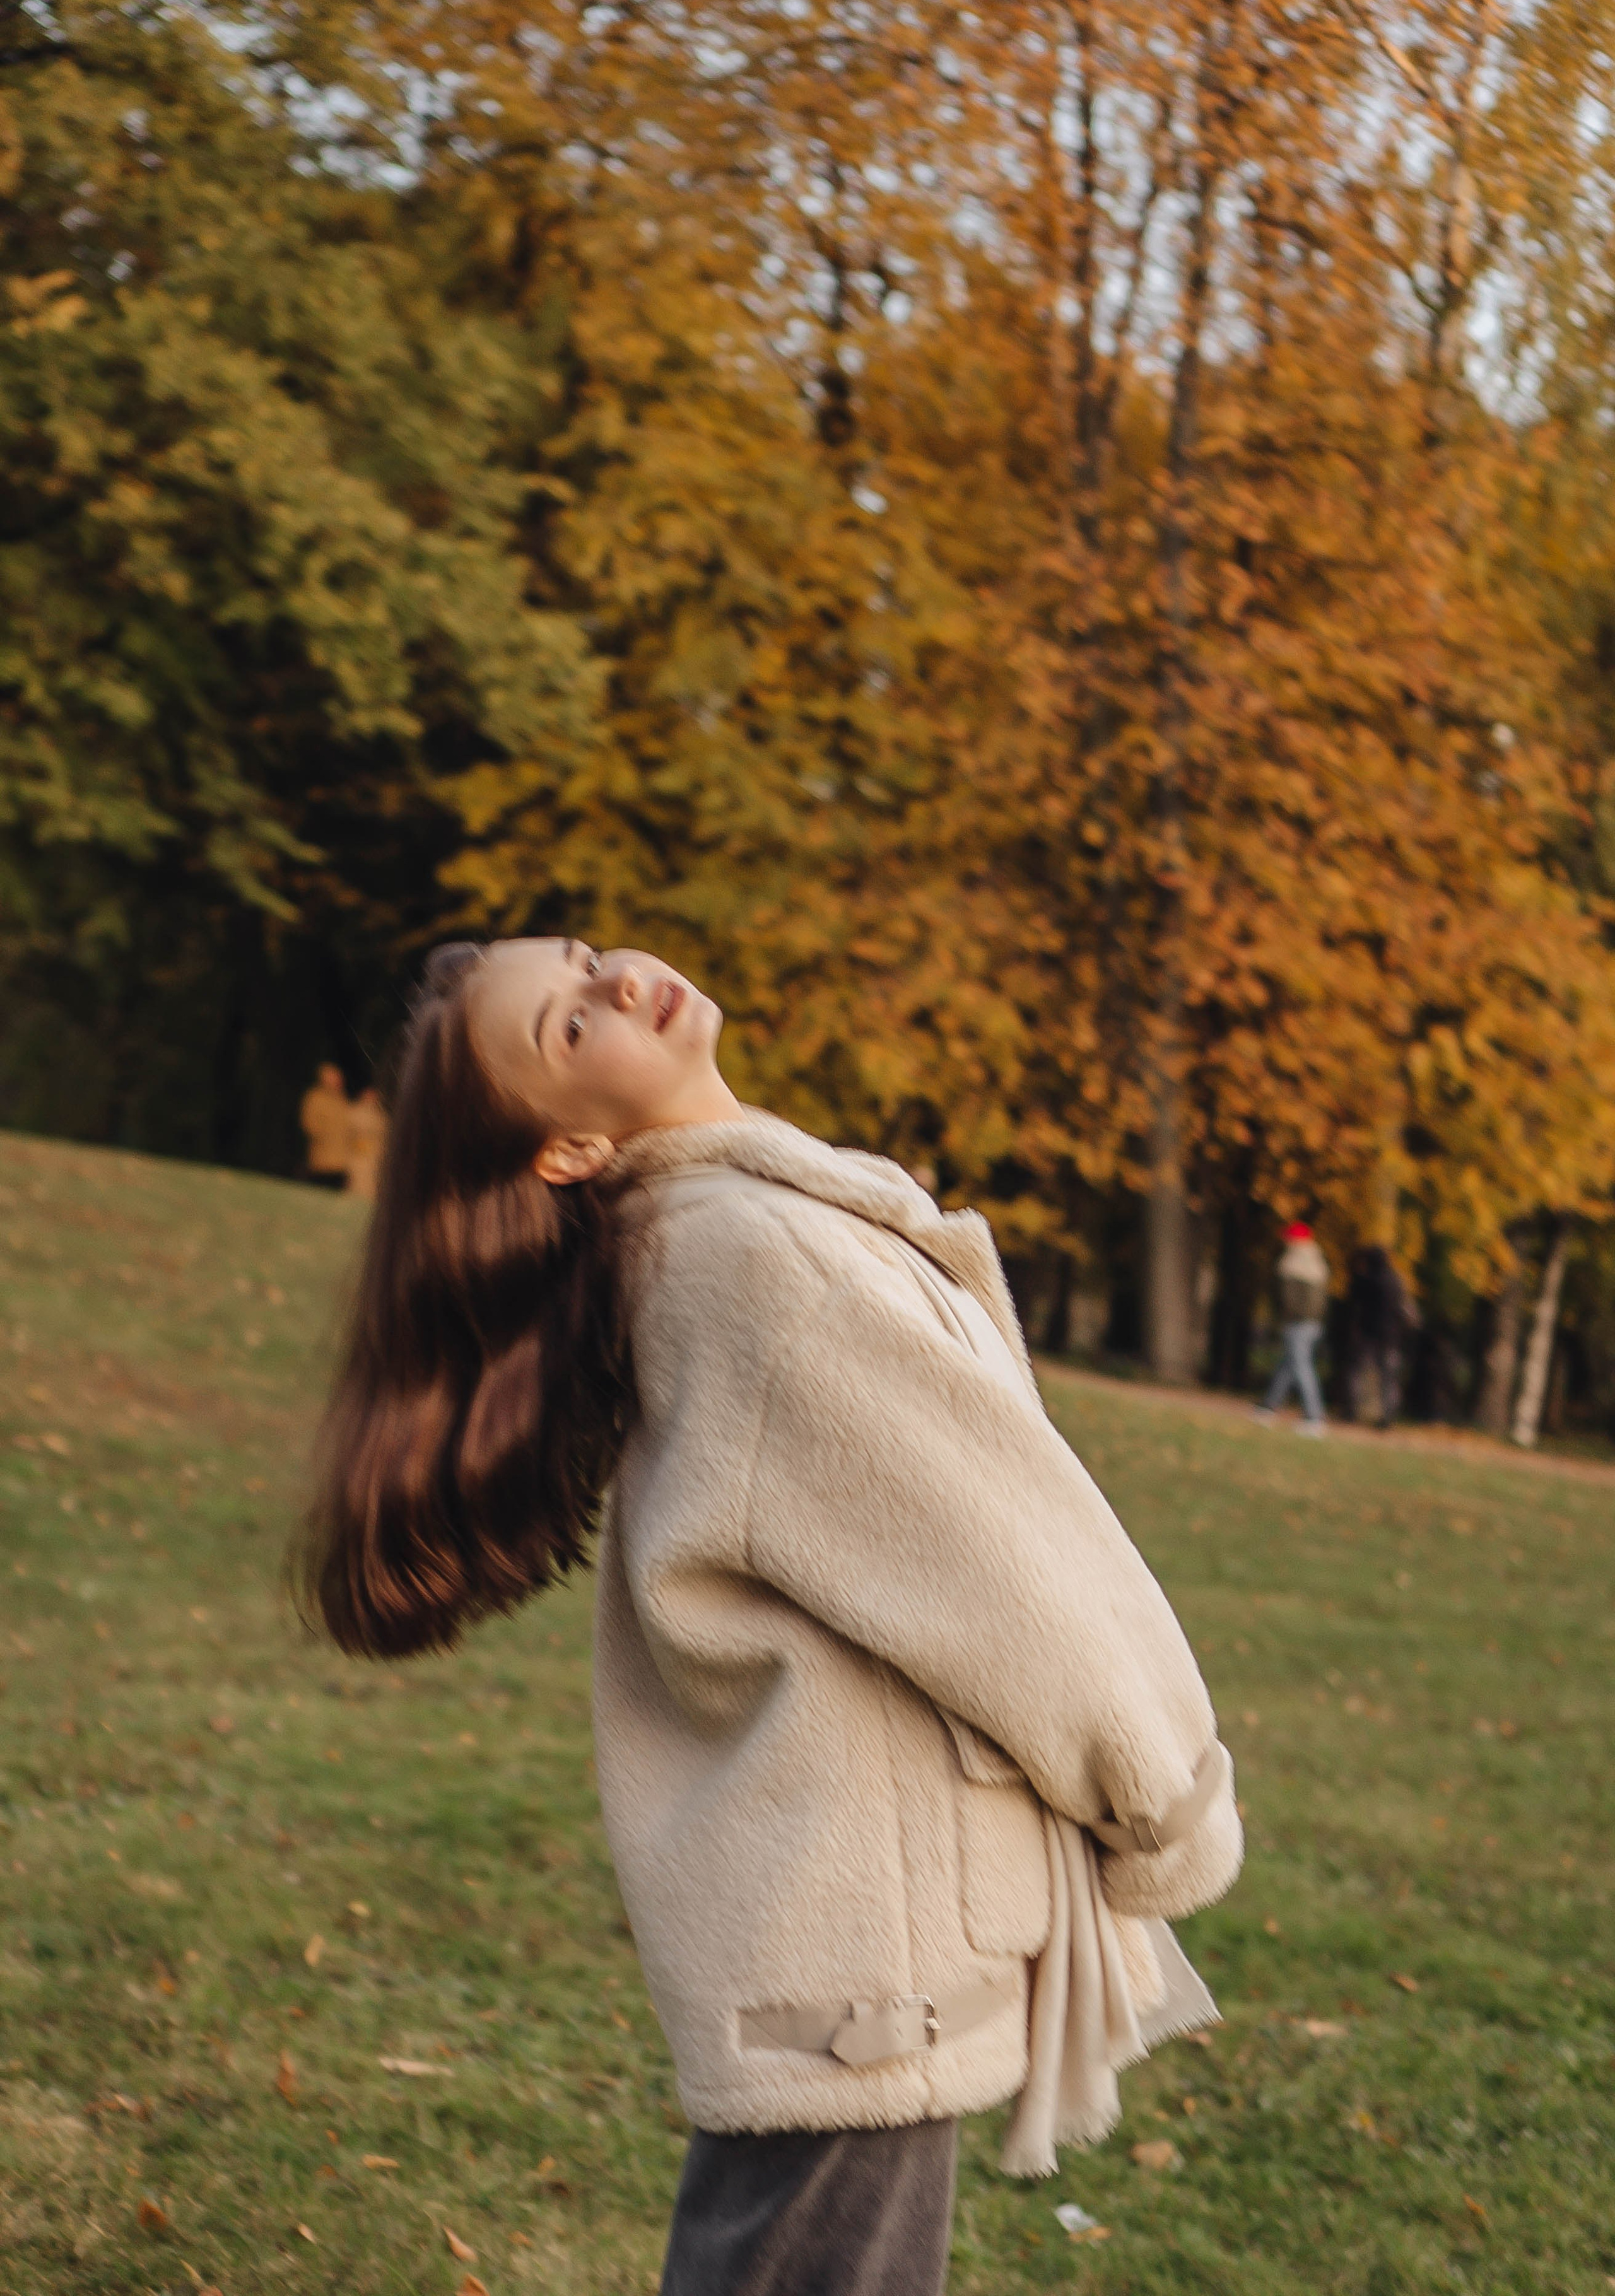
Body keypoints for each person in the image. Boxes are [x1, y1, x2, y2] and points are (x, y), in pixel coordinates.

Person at [299, 939, 1243, 2296]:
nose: (621, 981)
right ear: (566, 1151)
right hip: (859, 1929)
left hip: (836, 1913)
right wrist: (1166, 1802)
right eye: (571, 1024)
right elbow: (1015, 1568)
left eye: (584, 959)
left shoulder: (731, 1231)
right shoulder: (755, 1258)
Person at [1255, 1222, 1330, 1436]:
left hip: (1297, 1323)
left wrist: (1284, 1317)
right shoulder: (1318, 1261)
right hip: (1313, 1323)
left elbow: (1286, 1299)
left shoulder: (1292, 1262)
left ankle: (1314, 1417)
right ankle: (1268, 1406)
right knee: (1289, 1365)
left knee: (1301, 1367)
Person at [1347, 1244, 1418, 1428]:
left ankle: (1352, 1411)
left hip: (1367, 1334)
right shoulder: (1395, 1281)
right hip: (1390, 1336)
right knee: (1389, 1378)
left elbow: (1354, 1306)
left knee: (1357, 1372)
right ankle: (1388, 1416)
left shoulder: (1364, 1280)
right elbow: (1404, 1310)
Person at [298, 1062, 350, 1188]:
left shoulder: (342, 1099)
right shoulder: (315, 1097)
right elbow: (309, 1124)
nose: (337, 1080)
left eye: (338, 1077)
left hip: (341, 1162)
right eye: (333, 1077)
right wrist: (324, 1136)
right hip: (321, 1161)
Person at [342, 1086, 387, 1200]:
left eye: (374, 1097)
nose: (371, 1099)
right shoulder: (353, 1111)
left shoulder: (380, 1116)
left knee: (370, 1184)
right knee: (356, 1182)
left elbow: (383, 1136)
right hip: (356, 1155)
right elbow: (346, 1133)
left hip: (373, 1157)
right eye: (369, 1096)